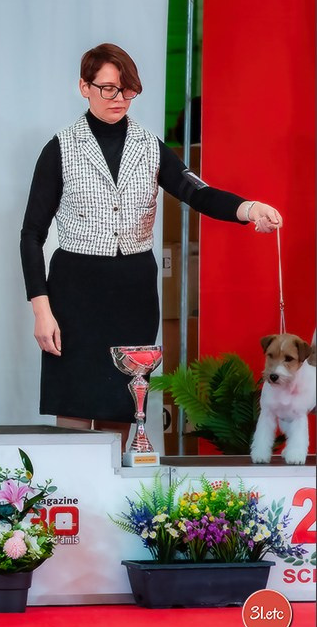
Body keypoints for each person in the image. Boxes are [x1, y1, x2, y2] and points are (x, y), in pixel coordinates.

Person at [19, 42, 282, 433]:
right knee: (73, 408)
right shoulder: (59, 149)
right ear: (84, 87)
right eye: (108, 88)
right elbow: (31, 235)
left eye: (127, 90)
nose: (119, 98)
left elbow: (198, 192)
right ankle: (70, 494)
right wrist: (42, 311)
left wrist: (247, 209)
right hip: (75, 289)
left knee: (124, 408)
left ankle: (113, 488)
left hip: (133, 289)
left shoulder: (150, 146)